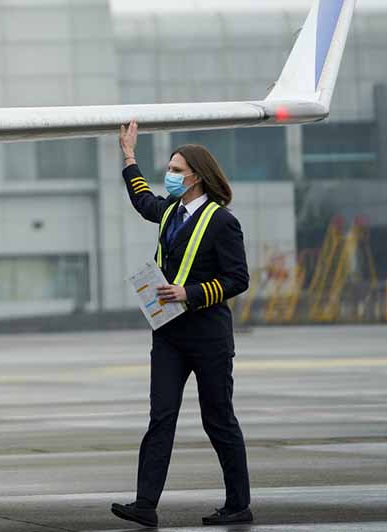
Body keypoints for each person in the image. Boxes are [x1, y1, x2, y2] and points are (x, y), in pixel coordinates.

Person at [110, 121, 253, 527]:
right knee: (161, 416)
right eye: (169, 169)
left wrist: (189, 292)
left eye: (177, 171)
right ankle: (145, 505)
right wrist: (129, 156)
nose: (170, 176)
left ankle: (239, 504)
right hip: (169, 334)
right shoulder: (171, 211)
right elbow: (143, 201)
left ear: (197, 178)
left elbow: (238, 279)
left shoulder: (221, 221)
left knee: (218, 419)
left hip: (208, 336)